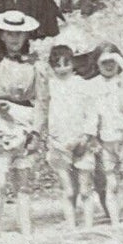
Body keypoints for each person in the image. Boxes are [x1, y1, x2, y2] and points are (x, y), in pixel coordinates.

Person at [0, 10, 41, 240]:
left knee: (23, 182)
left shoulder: (35, 63)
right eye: (10, 34)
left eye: (20, 34)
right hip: (0, 120)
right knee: (0, 181)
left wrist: (37, 132)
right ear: (1, 35)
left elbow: (43, 99)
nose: (14, 39)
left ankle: (26, 231)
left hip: (25, 121)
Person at [41, 41, 99, 230]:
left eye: (66, 63)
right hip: (59, 141)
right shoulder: (49, 86)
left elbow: (92, 112)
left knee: (85, 189)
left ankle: (89, 227)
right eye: (57, 64)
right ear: (52, 66)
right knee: (68, 189)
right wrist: (48, 136)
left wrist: (87, 135)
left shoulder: (83, 84)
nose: (62, 68)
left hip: (81, 140)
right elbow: (44, 110)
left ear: (73, 63)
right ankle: (72, 227)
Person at [92, 44, 123, 228]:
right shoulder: (93, 85)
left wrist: (120, 60)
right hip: (106, 139)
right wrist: (94, 138)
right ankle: (116, 222)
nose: (109, 65)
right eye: (104, 62)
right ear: (96, 62)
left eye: (113, 61)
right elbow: (91, 114)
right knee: (111, 183)